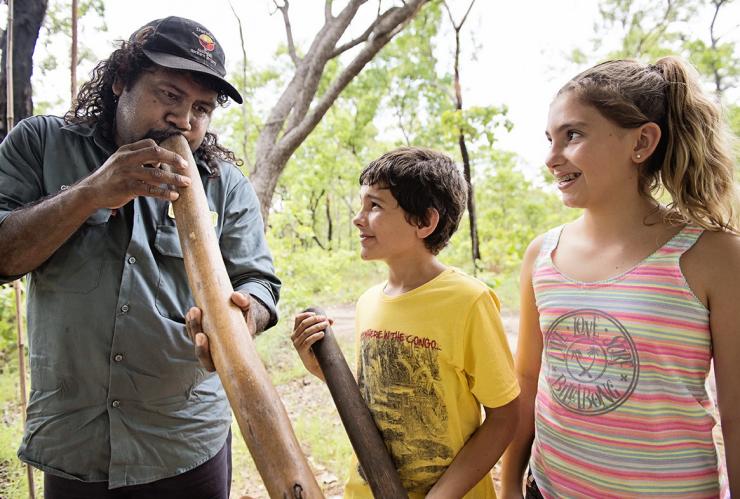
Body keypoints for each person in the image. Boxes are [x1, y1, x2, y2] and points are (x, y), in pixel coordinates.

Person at [0, 16, 280, 498]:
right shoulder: (40, 144)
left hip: (186, 439)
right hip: (76, 443)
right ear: (120, 80)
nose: (184, 121)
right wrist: (92, 192)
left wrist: (240, 319)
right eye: (170, 95)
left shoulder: (224, 184)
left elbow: (259, 282)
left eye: (201, 108)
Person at [499, 56, 739, 499]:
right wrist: (511, 482)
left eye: (573, 135)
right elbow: (528, 379)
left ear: (642, 142)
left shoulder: (714, 254)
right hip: (548, 489)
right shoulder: (542, 255)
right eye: (549, 139)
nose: (552, 158)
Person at [292, 147, 521, 498]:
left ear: (424, 222)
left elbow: (504, 417)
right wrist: (323, 372)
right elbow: (380, 400)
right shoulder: (369, 302)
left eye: (375, 206)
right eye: (361, 205)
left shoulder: (468, 301)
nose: (358, 218)